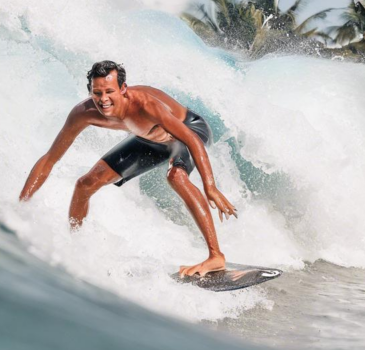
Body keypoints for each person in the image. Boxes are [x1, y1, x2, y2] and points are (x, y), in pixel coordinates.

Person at [19, 60, 237, 277]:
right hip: (149, 138)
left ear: (123, 89)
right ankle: (76, 245)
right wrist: (21, 207)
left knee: (176, 177)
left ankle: (215, 256)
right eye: (97, 93)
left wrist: (210, 186)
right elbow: (49, 159)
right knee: (85, 184)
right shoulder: (83, 114)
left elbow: (192, 140)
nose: (103, 99)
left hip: (188, 130)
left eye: (109, 91)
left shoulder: (145, 105)